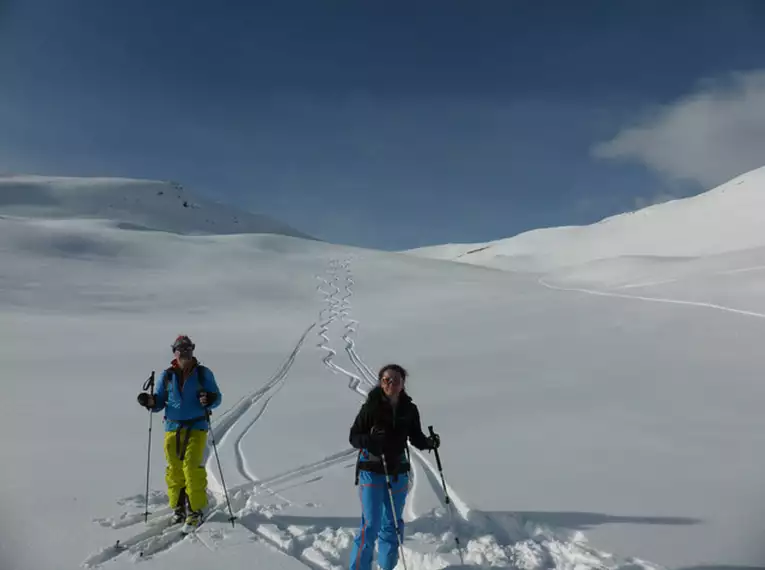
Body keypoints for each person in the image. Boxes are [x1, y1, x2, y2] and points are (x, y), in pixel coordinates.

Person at [348, 363, 440, 570]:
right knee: (370, 525)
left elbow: (415, 436)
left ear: (402, 383)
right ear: (381, 383)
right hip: (372, 471)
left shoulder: (409, 409)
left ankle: (387, 566)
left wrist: (429, 443)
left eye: (395, 380)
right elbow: (354, 437)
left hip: (397, 471)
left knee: (392, 525)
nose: (391, 384)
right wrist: (370, 440)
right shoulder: (370, 407)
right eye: (386, 380)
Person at [137, 334, 222, 529]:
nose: (184, 352)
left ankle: (195, 509)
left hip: (197, 425)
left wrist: (210, 399)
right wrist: (148, 401)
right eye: (180, 349)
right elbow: (158, 402)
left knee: (191, 467)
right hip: (172, 427)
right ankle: (178, 508)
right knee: (175, 469)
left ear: (192, 350)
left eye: (188, 348)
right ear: (174, 352)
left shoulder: (203, 373)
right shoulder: (166, 376)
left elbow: (217, 397)